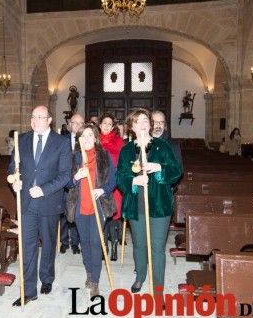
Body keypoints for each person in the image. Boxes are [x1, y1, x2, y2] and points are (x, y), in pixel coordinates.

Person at [8, 105, 72, 306]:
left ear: (49, 120)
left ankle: (47, 278)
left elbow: (65, 175)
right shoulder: (22, 140)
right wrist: (13, 180)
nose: (36, 121)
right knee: (27, 247)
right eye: (33, 117)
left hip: (49, 202)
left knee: (49, 244)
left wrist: (43, 189)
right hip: (26, 202)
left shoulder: (61, 142)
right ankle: (29, 290)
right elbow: (13, 168)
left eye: (41, 117)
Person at [117, 108, 182, 295]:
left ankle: (158, 288)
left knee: (157, 247)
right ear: (132, 127)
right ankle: (140, 276)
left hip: (159, 205)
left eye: (146, 120)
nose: (143, 124)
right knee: (139, 245)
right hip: (136, 204)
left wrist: (159, 167)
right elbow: (120, 175)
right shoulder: (127, 150)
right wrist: (134, 180)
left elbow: (176, 171)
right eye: (138, 121)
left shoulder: (162, 146)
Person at [65, 124, 116, 296]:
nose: (87, 139)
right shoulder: (74, 157)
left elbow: (113, 180)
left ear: (95, 138)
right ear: (79, 139)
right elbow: (66, 183)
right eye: (83, 136)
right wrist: (75, 178)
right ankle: (88, 272)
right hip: (80, 207)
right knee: (85, 242)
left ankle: (95, 280)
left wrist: (102, 190)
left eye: (90, 135)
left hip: (98, 206)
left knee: (95, 242)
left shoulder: (104, 156)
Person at [98, 112, 124, 261]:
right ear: (100, 125)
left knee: (113, 216)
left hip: (114, 186)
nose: (107, 126)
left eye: (109, 124)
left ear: (113, 126)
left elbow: (121, 164)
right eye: (104, 123)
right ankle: (104, 246)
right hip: (99, 184)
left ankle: (114, 245)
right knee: (102, 216)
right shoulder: (95, 140)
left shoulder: (119, 142)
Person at [59, 114, 84, 255]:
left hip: (79, 181)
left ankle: (75, 243)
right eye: (75, 123)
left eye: (81, 123)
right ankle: (64, 242)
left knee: (76, 212)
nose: (78, 126)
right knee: (63, 213)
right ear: (70, 125)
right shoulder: (62, 141)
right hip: (63, 182)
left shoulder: (86, 140)